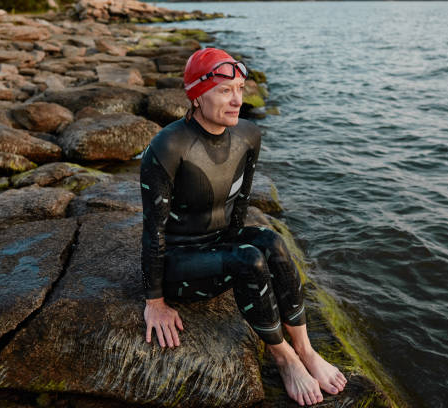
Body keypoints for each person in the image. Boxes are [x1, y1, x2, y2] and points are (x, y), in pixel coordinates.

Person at [139, 47, 347, 406]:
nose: (237, 100)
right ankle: (284, 358)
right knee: (248, 260)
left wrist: (240, 250)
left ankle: (306, 349)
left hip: (219, 244)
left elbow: (240, 205)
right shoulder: (168, 146)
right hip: (179, 261)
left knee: (273, 243)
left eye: (239, 88)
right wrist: (154, 302)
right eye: (224, 91)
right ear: (196, 96)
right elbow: (153, 230)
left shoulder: (248, 135)